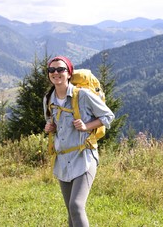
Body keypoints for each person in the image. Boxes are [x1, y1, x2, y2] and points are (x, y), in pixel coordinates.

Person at [43, 56, 114, 227]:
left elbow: (108, 116)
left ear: (69, 73)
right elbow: (52, 122)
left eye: (61, 69)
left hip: (84, 156)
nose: (56, 73)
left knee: (76, 205)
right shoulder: (49, 99)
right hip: (63, 160)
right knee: (71, 211)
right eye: (52, 70)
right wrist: (49, 127)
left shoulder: (82, 95)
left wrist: (86, 125)